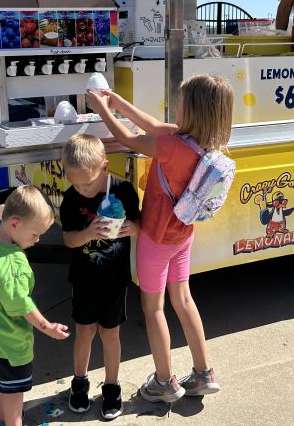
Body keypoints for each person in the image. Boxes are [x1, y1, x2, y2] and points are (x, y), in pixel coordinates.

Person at [85, 74, 233, 403]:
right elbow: (151, 123)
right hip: (183, 237)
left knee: (153, 310)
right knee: (183, 300)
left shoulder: (169, 145)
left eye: (179, 104)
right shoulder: (201, 142)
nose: (173, 108)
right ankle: (203, 372)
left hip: (156, 239)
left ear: (191, 110)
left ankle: (164, 382)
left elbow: (128, 137)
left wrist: (102, 111)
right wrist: (118, 101)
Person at [0, 185, 70, 426]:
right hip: (9, 344)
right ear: (15, 223)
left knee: (1, 385)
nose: (37, 240)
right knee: (14, 393)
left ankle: (1, 420)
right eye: (35, 234)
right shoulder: (13, 262)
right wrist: (47, 326)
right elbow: (20, 305)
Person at [59, 133, 141, 420]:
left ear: (104, 167)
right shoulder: (70, 199)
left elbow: (140, 222)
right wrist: (87, 233)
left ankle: (111, 386)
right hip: (83, 279)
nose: (81, 188)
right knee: (84, 332)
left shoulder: (124, 191)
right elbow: (68, 239)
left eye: (87, 182)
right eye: (74, 181)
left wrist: (134, 228)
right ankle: (79, 383)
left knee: (110, 333)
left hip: (115, 280)